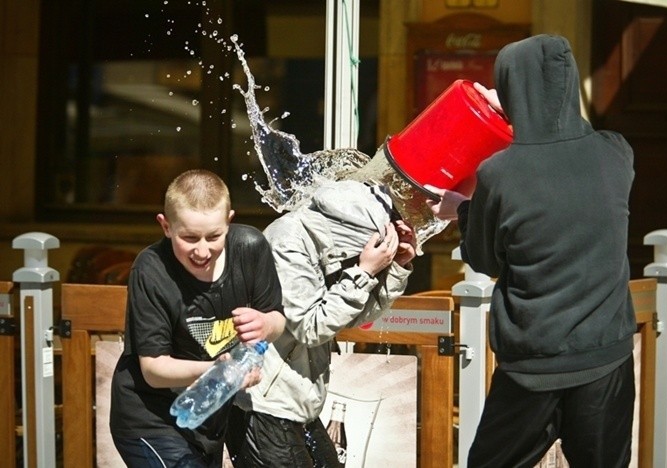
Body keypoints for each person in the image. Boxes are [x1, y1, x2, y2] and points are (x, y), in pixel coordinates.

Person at [426, 34, 637, 467]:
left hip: (532, 369)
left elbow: (484, 258)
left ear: (512, 90)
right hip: (606, 360)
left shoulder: (500, 173)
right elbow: (564, 199)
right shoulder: (616, 153)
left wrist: (465, 212)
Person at [231, 179, 417, 467]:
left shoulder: (324, 241)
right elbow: (312, 326)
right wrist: (364, 272)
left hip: (296, 401)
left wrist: (395, 268)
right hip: (266, 405)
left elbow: (350, 316)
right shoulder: (288, 243)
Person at [110, 169, 286, 467]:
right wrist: (219, 371)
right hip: (149, 417)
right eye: (189, 237)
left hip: (207, 413)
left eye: (214, 236)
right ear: (165, 226)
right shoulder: (150, 269)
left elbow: (277, 319)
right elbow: (153, 369)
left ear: (229, 221)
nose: (202, 250)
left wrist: (266, 324)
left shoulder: (251, 248)